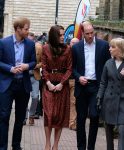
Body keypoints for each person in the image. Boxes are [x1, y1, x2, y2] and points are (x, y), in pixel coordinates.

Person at [72, 21, 111, 150]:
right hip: (81, 86)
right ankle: (81, 147)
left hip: (96, 86)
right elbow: (72, 68)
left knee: (94, 116)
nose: (90, 36)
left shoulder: (104, 46)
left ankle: (91, 147)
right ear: (82, 33)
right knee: (81, 118)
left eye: (92, 33)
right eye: (87, 34)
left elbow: (108, 66)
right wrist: (78, 77)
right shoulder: (76, 48)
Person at [0, 17, 36, 150]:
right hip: (7, 85)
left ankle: (16, 146)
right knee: (4, 117)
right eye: (26, 29)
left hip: (23, 85)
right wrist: (10, 69)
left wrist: (27, 66)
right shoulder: (3, 43)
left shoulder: (30, 44)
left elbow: (34, 62)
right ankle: (2, 147)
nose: (28, 31)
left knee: (20, 118)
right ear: (18, 29)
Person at [96, 38, 124, 150]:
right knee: (109, 131)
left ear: (120, 49)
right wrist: (99, 97)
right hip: (109, 101)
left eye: (112, 47)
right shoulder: (108, 63)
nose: (109, 49)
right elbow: (103, 83)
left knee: (122, 130)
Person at [42, 25, 72, 150]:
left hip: (62, 85)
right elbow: (43, 67)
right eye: (60, 35)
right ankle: (47, 144)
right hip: (48, 84)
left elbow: (70, 68)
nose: (62, 37)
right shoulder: (45, 48)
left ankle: (56, 145)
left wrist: (62, 83)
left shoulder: (68, 49)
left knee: (59, 115)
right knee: (49, 114)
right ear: (53, 36)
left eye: (63, 34)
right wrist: (48, 82)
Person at [28, 34, 42, 125]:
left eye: (31, 41)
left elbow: (43, 61)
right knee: (24, 98)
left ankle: (31, 115)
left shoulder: (39, 48)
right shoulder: (23, 49)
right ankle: (24, 117)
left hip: (35, 76)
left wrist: (37, 65)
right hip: (25, 76)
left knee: (35, 97)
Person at [69, 38, 79, 130]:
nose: (74, 44)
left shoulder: (80, 54)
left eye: (76, 43)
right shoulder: (65, 52)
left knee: (73, 102)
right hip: (64, 81)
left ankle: (72, 123)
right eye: (73, 42)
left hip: (74, 80)